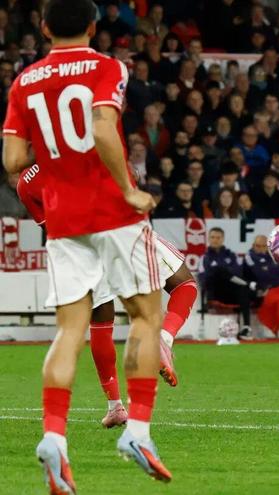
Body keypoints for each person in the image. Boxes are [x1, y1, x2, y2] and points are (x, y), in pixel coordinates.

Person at [2, 1, 171, 488]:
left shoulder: (24, 81)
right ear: (94, 27)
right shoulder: (107, 67)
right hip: (111, 212)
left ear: (44, 27)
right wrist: (128, 189)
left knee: (68, 330)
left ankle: (54, 437)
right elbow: (101, 127)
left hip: (62, 219)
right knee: (145, 316)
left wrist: (51, 156)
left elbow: (13, 159)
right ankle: (137, 431)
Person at [17, 162, 197, 406]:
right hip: (122, 229)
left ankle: (115, 406)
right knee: (184, 284)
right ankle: (164, 338)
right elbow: (130, 174)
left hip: (83, 249)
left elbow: (52, 229)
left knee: (101, 323)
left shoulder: (25, 185)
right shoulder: (80, 146)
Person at [199, 228, 253, 338]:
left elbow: (238, 273)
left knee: (243, 289)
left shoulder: (232, 255)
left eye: (218, 237)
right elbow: (203, 278)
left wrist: (223, 272)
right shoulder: (204, 257)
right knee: (218, 271)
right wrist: (220, 271)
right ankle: (248, 284)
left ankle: (246, 328)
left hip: (231, 291)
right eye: (213, 237)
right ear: (208, 239)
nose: (215, 240)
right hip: (215, 293)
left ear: (223, 239)